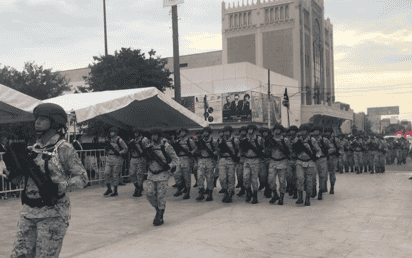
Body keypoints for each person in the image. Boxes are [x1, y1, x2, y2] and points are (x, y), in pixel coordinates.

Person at [10, 103, 89, 258]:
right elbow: (22, 181)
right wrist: (14, 174)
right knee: (19, 255)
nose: (36, 122)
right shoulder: (33, 149)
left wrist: (61, 186)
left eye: (42, 119)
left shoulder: (63, 148)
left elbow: (82, 178)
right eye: (36, 119)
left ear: (54, 122)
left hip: (53, 213)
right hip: (29, 213)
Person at [145, 128, 179, 226]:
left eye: (155, 135)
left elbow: (176, 160)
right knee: (149, 194)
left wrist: (169, 166)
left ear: (159, 136)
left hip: (163, 174)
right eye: (152, 135)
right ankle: (158, 210)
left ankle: (159, 215)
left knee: (161, 196)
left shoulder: (167, 146)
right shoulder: (149, 147)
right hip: (151, 173)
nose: (153, 137)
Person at [291, 123, 320, 206]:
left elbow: (318, 150)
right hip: (299, 162)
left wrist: (316, 157)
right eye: (301, 130)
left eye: (304, 130)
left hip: (310, 162)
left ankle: (307, 198)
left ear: (307, 131)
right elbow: (293, 149)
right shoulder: (297, 140)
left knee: (309, 181)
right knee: (300, 179)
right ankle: (300, 197)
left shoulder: (312, 140)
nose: (302, 132)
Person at [266, 124, 291, 205]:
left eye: (278, 129)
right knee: (270, 180)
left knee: (282, 181)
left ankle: (281, 197)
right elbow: (267, 151)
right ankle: (275, 194)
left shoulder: (285, 140)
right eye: (275, 129)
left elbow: (289, 151)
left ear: (281, 130)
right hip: (273, 161)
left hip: (282, 161)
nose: (277, 131)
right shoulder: (270, 139)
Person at [239, 124, 264, 204]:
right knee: (245, 178)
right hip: (246, 160)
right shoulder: (244, 139)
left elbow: (263, 149)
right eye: (248, 129)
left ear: (254, 130)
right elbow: (241, 150)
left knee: (254, 179)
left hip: (255, 160)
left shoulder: (259, 139)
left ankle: (255, 196)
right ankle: (248, 192)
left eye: (251, 129)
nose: (249, 131)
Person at [171, 127, 197, 199]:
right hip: (179, 159)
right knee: (176, 174)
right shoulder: (177, 141)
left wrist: (191, 152)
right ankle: (179, 188)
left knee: (186, 176)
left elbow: (195, 148)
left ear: (186, 132)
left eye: (183, 132)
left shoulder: (190, 140)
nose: (181, 133)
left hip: (187, 159)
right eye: (180, 132)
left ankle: (187, 192)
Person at [217, 126, 240, 203]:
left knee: (231, 177)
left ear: (230, 132)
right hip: (222, 160)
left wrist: (237, 160)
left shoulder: (235, 140)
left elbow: (238, 151)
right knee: (222, 177)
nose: (226, 132)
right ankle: (225, 191)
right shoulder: (221, 141)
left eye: (228, 131)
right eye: (225, 131)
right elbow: (219, 152)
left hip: (231, 160)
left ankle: (230, 193)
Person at [103, 127, 128, 197]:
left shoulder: (119, 140)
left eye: (112, 132)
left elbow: (126, 149)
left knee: (115, 175)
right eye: (110, 132)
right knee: (106, 173)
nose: (111, 133)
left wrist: (120, 153)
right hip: (109, 158)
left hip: (117, 158)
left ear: (116, 132)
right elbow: (106, 149)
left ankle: (115, 190)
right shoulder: (109, 140)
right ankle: (109, 188)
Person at [195, 127, 218, 202]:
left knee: (209, 178)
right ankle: (201, 192)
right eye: (204, 132)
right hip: (201, 160)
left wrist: (212, 153)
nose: (205, 133)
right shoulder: (200, 141)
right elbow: (197, 151)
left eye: (206, 132)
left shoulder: (213, 141)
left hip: (209, 160)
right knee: (199, 176)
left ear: (209, 133)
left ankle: (210, 194)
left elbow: (217, 152)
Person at [129, 128, 150, 197]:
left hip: (141, 159)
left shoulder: (144, 140)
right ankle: (138, 186)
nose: (135, 133)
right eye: (135, 132)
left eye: (137, 132)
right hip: (133, 158)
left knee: (139, 175)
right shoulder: (132, 141)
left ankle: (138, 189)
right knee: (132, 174)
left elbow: (148, 150)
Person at [259, 127, 272, 198]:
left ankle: (268, 190)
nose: (265, 133)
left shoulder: (270, 139)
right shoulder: (259, 140)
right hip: (261, 159)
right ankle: (263, 186)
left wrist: (266, 150)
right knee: (262, 176)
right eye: (263, 132)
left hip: (269, 159)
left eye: (266, 132)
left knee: (269, 176)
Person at [236, 126, 248, 197]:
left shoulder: (248, 139)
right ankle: (242, 188)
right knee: (239, 175)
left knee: (246, 176)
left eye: (244, 131)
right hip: (240, 160)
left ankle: (247, 190)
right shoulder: (237, 140)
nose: (243, 132)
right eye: (241, 131)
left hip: (247, 159)